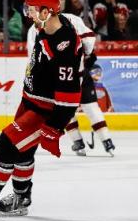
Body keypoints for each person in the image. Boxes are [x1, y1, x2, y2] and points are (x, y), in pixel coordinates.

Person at [0, 0, 83, 221]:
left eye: (32, 8)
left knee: (4, 146)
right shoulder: (46, 24)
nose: (27, 13)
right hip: (29, 101)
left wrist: (54, 128)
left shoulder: (64, 45)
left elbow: (70, 97)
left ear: (47, 11)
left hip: (44, 110)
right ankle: (21, 198)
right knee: (23, 151)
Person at [27, 11, 116, 157]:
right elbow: (88, 37)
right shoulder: (71, 18)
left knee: (66, 110)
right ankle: (107, 141)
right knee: (90, 107)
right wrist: (87, 53)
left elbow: (35, 56)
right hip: (79, 72)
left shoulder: (34, 30)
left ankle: (78, 141)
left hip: (60, 78)